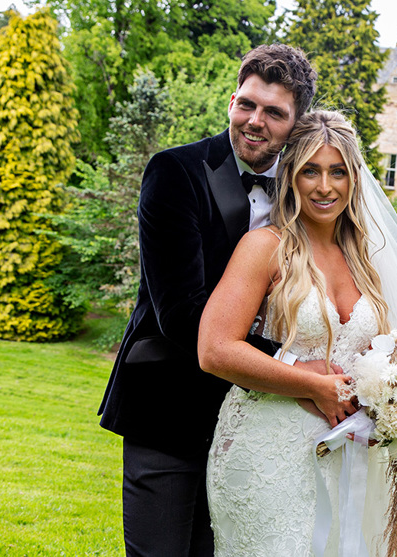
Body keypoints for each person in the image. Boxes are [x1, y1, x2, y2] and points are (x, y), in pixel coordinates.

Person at [198, 111, 397, 556]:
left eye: (337, 172)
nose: (324, 187)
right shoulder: (266, 247)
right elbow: (214, 350)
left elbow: (379, 355)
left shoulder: (366, 260)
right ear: (291, 175)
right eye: (310, 170)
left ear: (354, 179)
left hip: (349, 456)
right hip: (266, 453)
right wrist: (312, 384)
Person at [97, 45, 351, 557]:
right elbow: (181, 314)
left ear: (297, 123)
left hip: (260, 428)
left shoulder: (306, 187)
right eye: (246, 105)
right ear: (233, 100)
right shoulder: (175, 173)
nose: (254, 122)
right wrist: (297, 368)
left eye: (274, 112)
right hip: (171, 407)